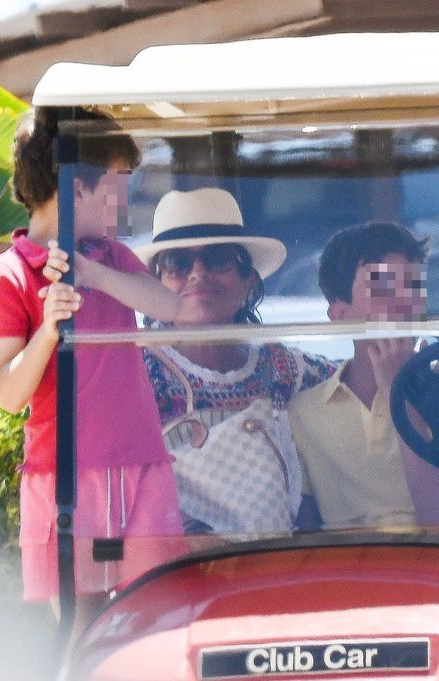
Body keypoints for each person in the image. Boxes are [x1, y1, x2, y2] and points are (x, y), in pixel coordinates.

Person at [0, 108, 188, 624]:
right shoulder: (7, 276)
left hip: (142, 462)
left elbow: (169, 306)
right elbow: (8, 393)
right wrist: (49, 328)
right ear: (76, 189)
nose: (127, 197)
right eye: (119, 184)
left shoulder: (111, 257)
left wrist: (90, 272)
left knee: (156, 615)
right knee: (82, 626)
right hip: (68, 477)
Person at [138, 187, 336, 536]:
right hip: (182, 574)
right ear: (155, 284)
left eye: (217, 259)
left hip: (285, 568)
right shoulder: (133, 379)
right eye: (177, 264)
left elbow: (355, 392)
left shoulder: (291, 372)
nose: (198, 274)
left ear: (248, 279)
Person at [288, 222, 439, 530]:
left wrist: (398, 390)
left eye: (413, 287)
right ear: (341, 317)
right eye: (384, 288)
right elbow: (304, 533)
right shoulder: (303, 413)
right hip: (347, 571)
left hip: (432, 565)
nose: (405, 303)